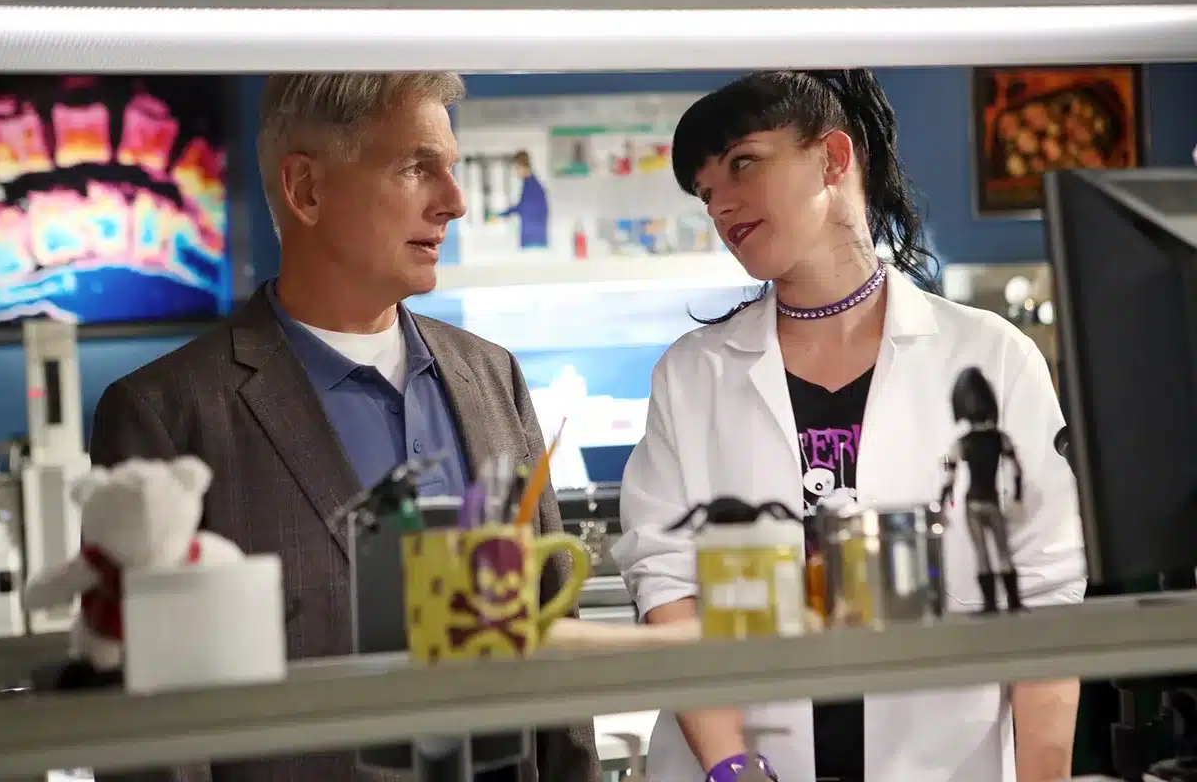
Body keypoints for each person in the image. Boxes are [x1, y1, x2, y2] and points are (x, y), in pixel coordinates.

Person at [88, 72, 600, 782]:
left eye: (451, 168)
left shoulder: (492, 377)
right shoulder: (167, 416)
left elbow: (555, 648)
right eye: (417, 167)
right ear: (306, 190)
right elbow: (154, 737)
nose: (454, 202)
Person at [611, 69, 1086, 782]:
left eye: (743, 163)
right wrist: (733, 768)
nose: (722, 204)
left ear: (833, 158)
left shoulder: (990, 356)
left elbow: (1045, 596)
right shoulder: (692, 375)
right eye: (705, 192)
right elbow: (667, 582)